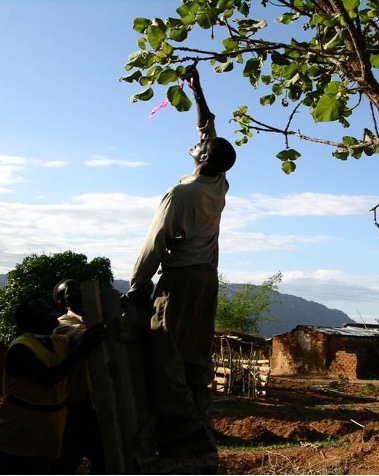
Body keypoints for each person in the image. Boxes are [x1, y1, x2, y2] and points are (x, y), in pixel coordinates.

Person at [127, 65, 236, 467]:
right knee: (196, 357)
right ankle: (200, 420)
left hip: (181, 281)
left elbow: (154, 244)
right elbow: (207, 131)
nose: (195, 145)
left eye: (199, 148)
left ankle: (180, 433)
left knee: (166, 349)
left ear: (204, 159)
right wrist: (198, 90)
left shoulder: (181, 193)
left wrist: (137, 284)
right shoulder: (218, 184)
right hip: (207, 280)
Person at [0, 296, 103, 475]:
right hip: (15, 438)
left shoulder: (59, 342)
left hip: (46, 439)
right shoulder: (21, 348)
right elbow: (48, 379)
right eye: (42, 309)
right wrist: (83, 346)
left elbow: (88, 340)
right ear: (31, 320)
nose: (51, 310)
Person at [51, 278, 105, 474]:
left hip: (100, 407)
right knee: (66, 462)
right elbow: (86, 336)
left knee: (104, 461)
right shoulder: (62, 326)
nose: (79, 294)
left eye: (80, 288)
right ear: (63, 303)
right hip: (76, 408)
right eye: (71, 292)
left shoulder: (97, 319)